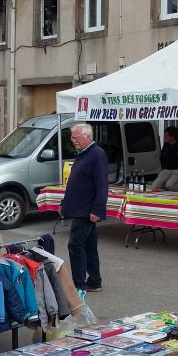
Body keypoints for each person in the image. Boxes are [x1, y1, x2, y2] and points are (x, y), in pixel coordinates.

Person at [61, 123, 108, 293]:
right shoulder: (83, 154)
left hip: (87, 210)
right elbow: (77, 183)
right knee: (88, 246)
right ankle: (94, 281)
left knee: (75, 245)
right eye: (72, 137)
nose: (73, 140)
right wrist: (64, 205)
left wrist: (97, 210)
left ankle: (79, 283)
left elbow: (102, 185)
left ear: (87, 137)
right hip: (80, 208)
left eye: (76, 137)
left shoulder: (96, 154)